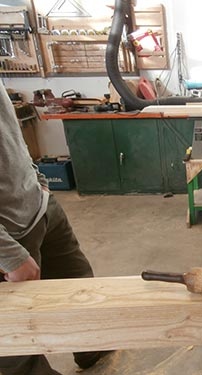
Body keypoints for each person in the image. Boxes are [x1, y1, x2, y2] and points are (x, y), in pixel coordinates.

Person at [0, 82, 110, 374]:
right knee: (15, 335)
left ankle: (92, 351)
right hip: (8, 234)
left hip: (38, 204)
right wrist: (7, 254)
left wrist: (36, 178)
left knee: (80, 288)